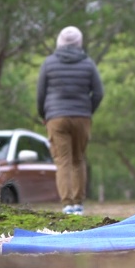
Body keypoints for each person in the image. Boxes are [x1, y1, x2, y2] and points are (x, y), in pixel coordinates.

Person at [37, 25, 104, 216]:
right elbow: (98, 92)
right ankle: (78, 204)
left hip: (56, 117)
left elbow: (40, 94)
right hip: (82, 116)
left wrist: (44, 115)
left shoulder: (49, 63)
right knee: (78, 159)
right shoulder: (88, 63)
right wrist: (87, 111)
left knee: (62, 160)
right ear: (79, 42)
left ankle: (67, 205)